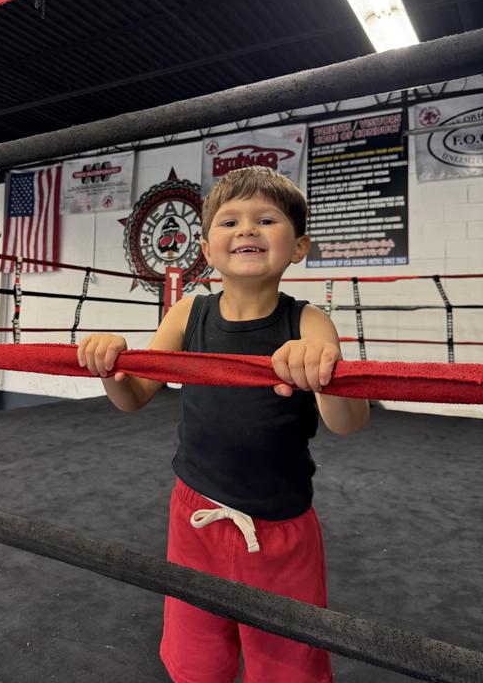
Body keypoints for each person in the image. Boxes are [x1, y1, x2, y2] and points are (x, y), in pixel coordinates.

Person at [77, 166, 369, 683]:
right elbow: (134, 396)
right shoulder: (188, 313)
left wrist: (324, 372)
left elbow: (347, 423)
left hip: (281, 529)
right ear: (207, 251)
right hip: (194, 517)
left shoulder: (309, 321)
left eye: (266, 219)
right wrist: (110, 365)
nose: (247, 229)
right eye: (229, 220)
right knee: (196, 658)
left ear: (298, 246)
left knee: (288, 664)